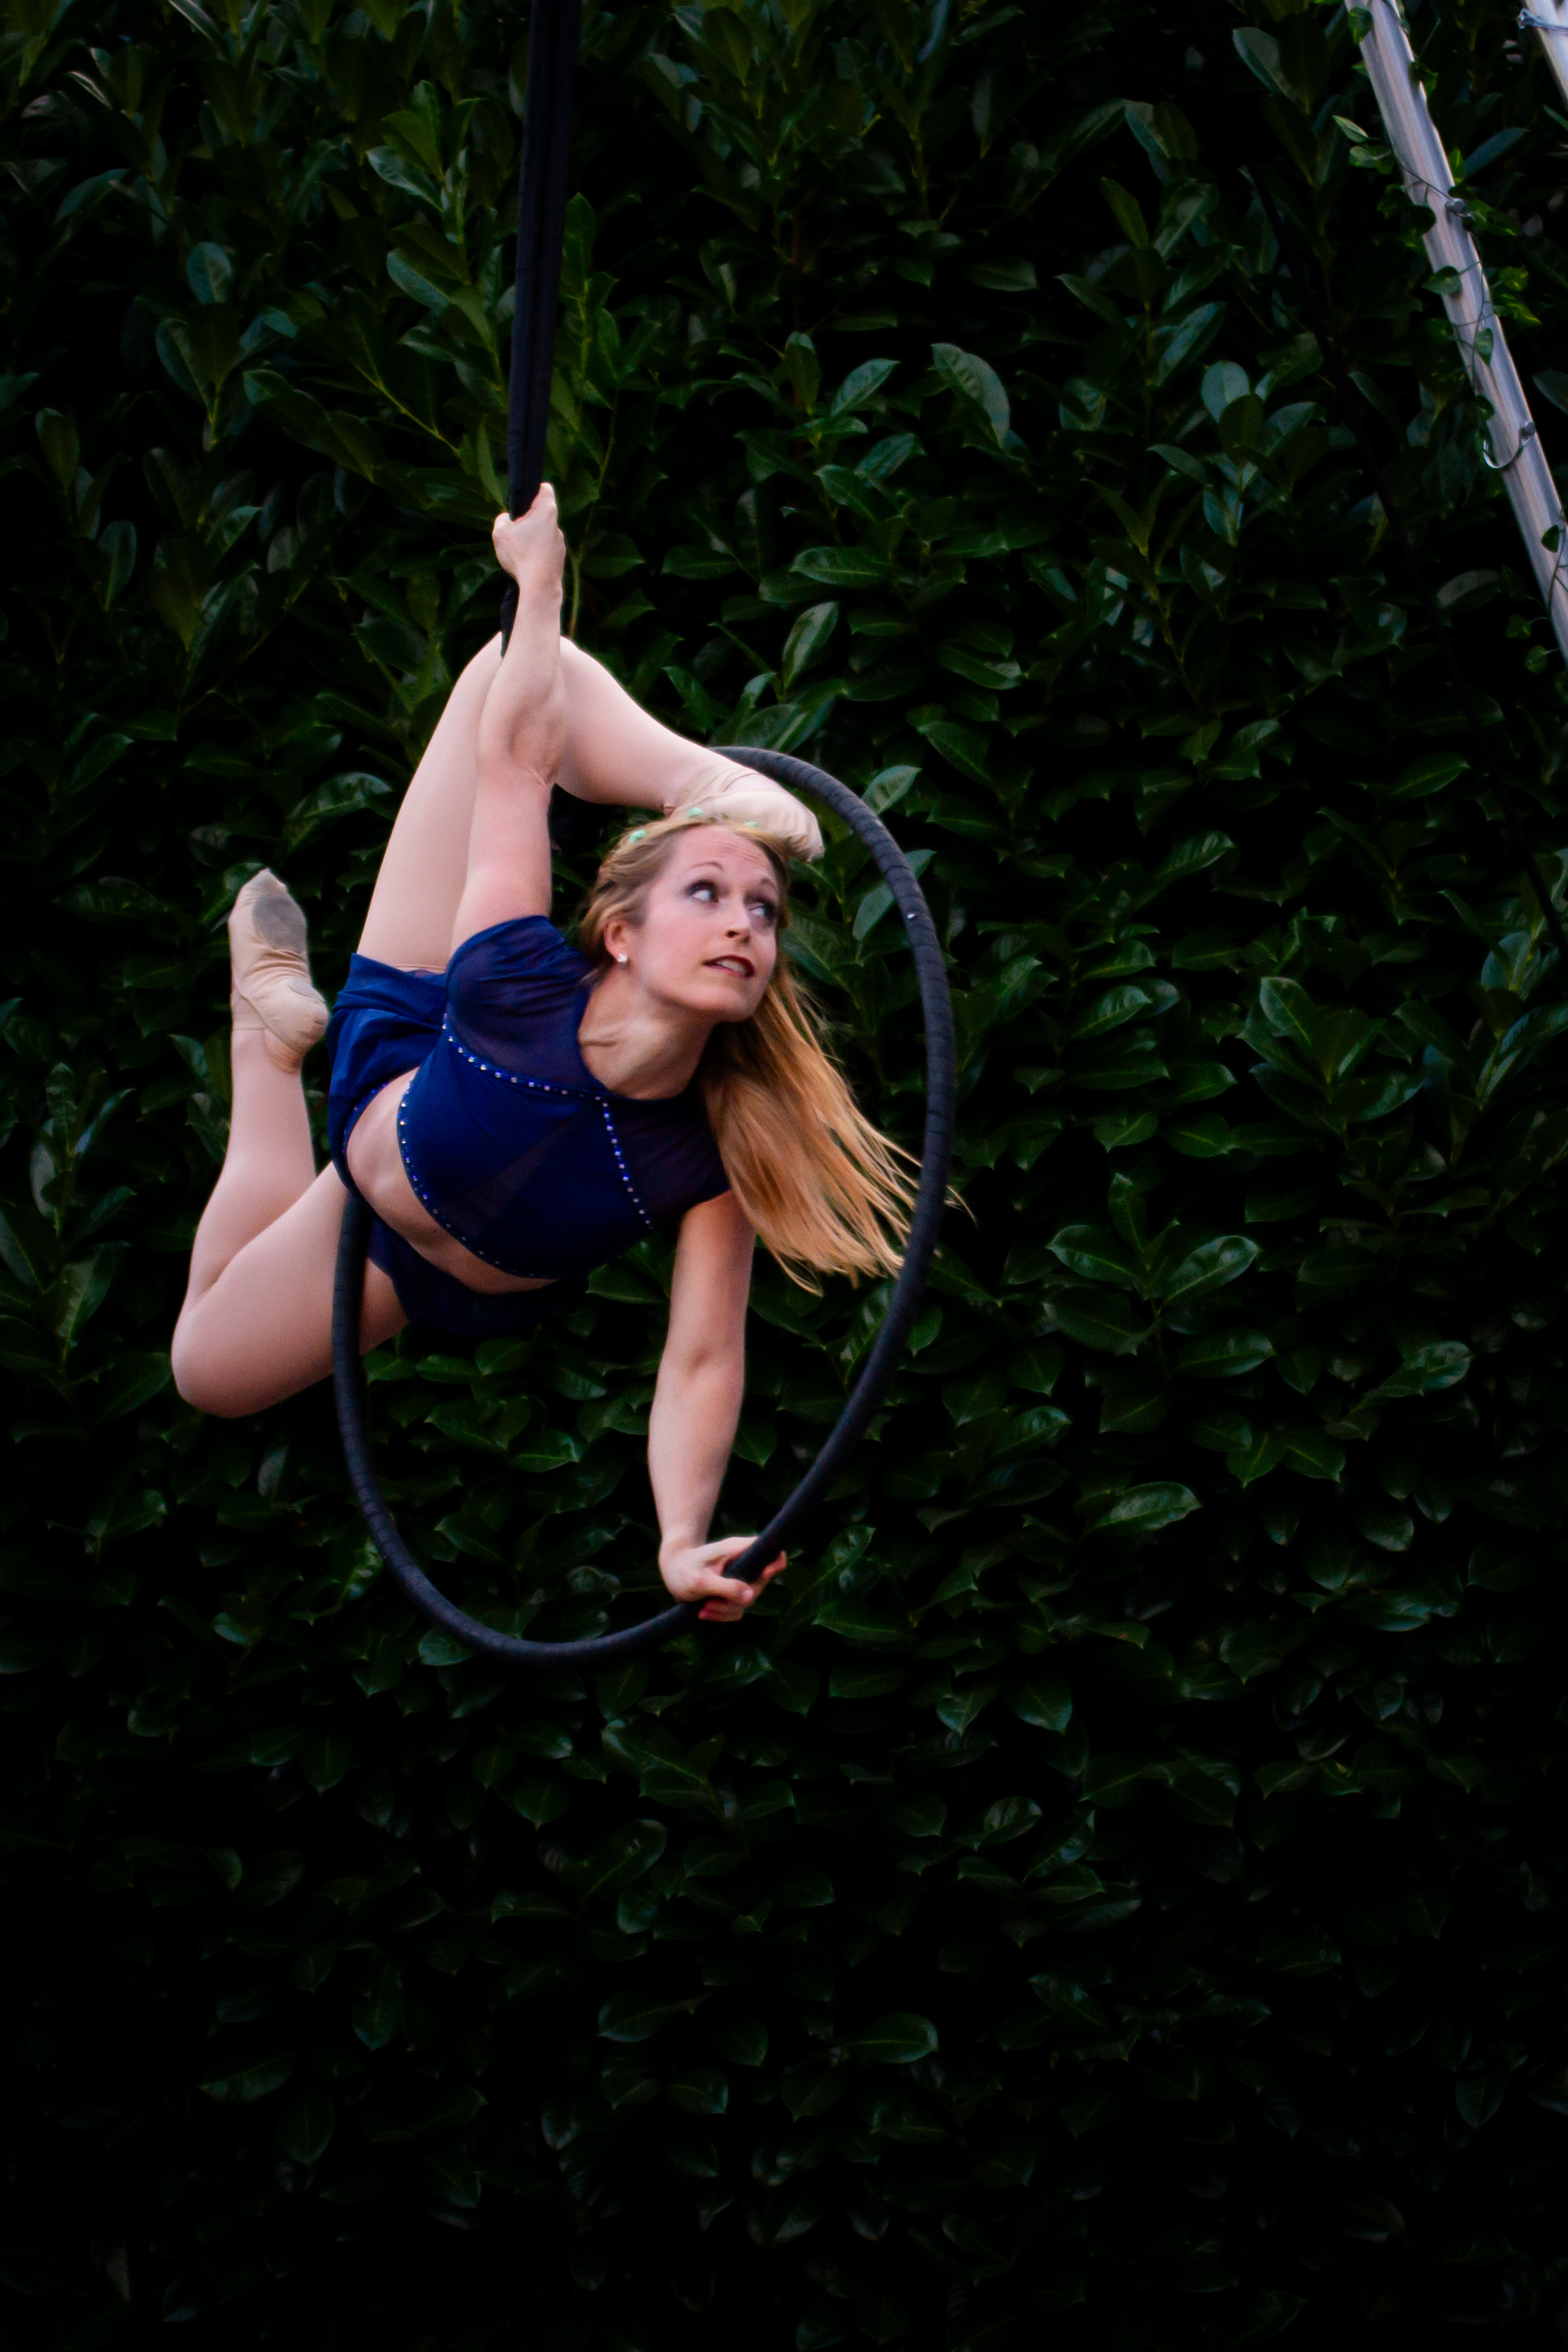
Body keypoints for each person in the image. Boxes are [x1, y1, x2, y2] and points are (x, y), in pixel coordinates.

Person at [172, 488, 913, 1624]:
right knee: (509, 675)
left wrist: (678, 1538)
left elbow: (703, 1358)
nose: (743, 926)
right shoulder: (521, 976)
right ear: (620, 931)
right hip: (418, 1052)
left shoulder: (715, 1147)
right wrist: (539, 583)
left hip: (427, 1255)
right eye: (709, 892)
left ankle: (271, 1042)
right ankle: (693, 787)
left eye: (764, 912)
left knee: (207, 1374)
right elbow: (519, 757)